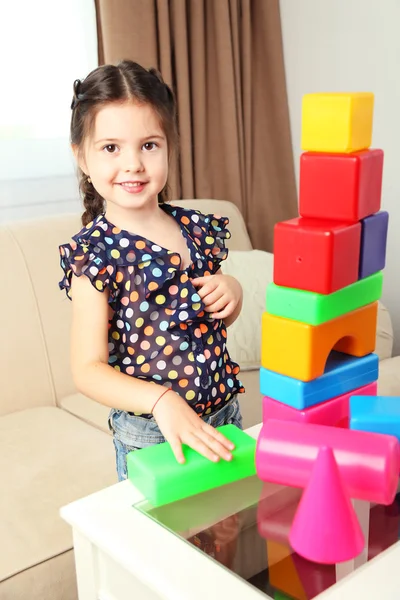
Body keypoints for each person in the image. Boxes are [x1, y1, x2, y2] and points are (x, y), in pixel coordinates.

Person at [59, 60, 245, 481]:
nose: (133, 164)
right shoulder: (95, 255)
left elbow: (211, 319)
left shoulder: (195, 226)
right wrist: (161, 401)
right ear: (82, 157)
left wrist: (231, 292)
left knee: (227, 538)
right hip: (152, 434)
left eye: (148, 145)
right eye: (111, 147)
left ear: (169, 146)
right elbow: (87, 369)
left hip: (224, 415)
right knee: (164, 544)